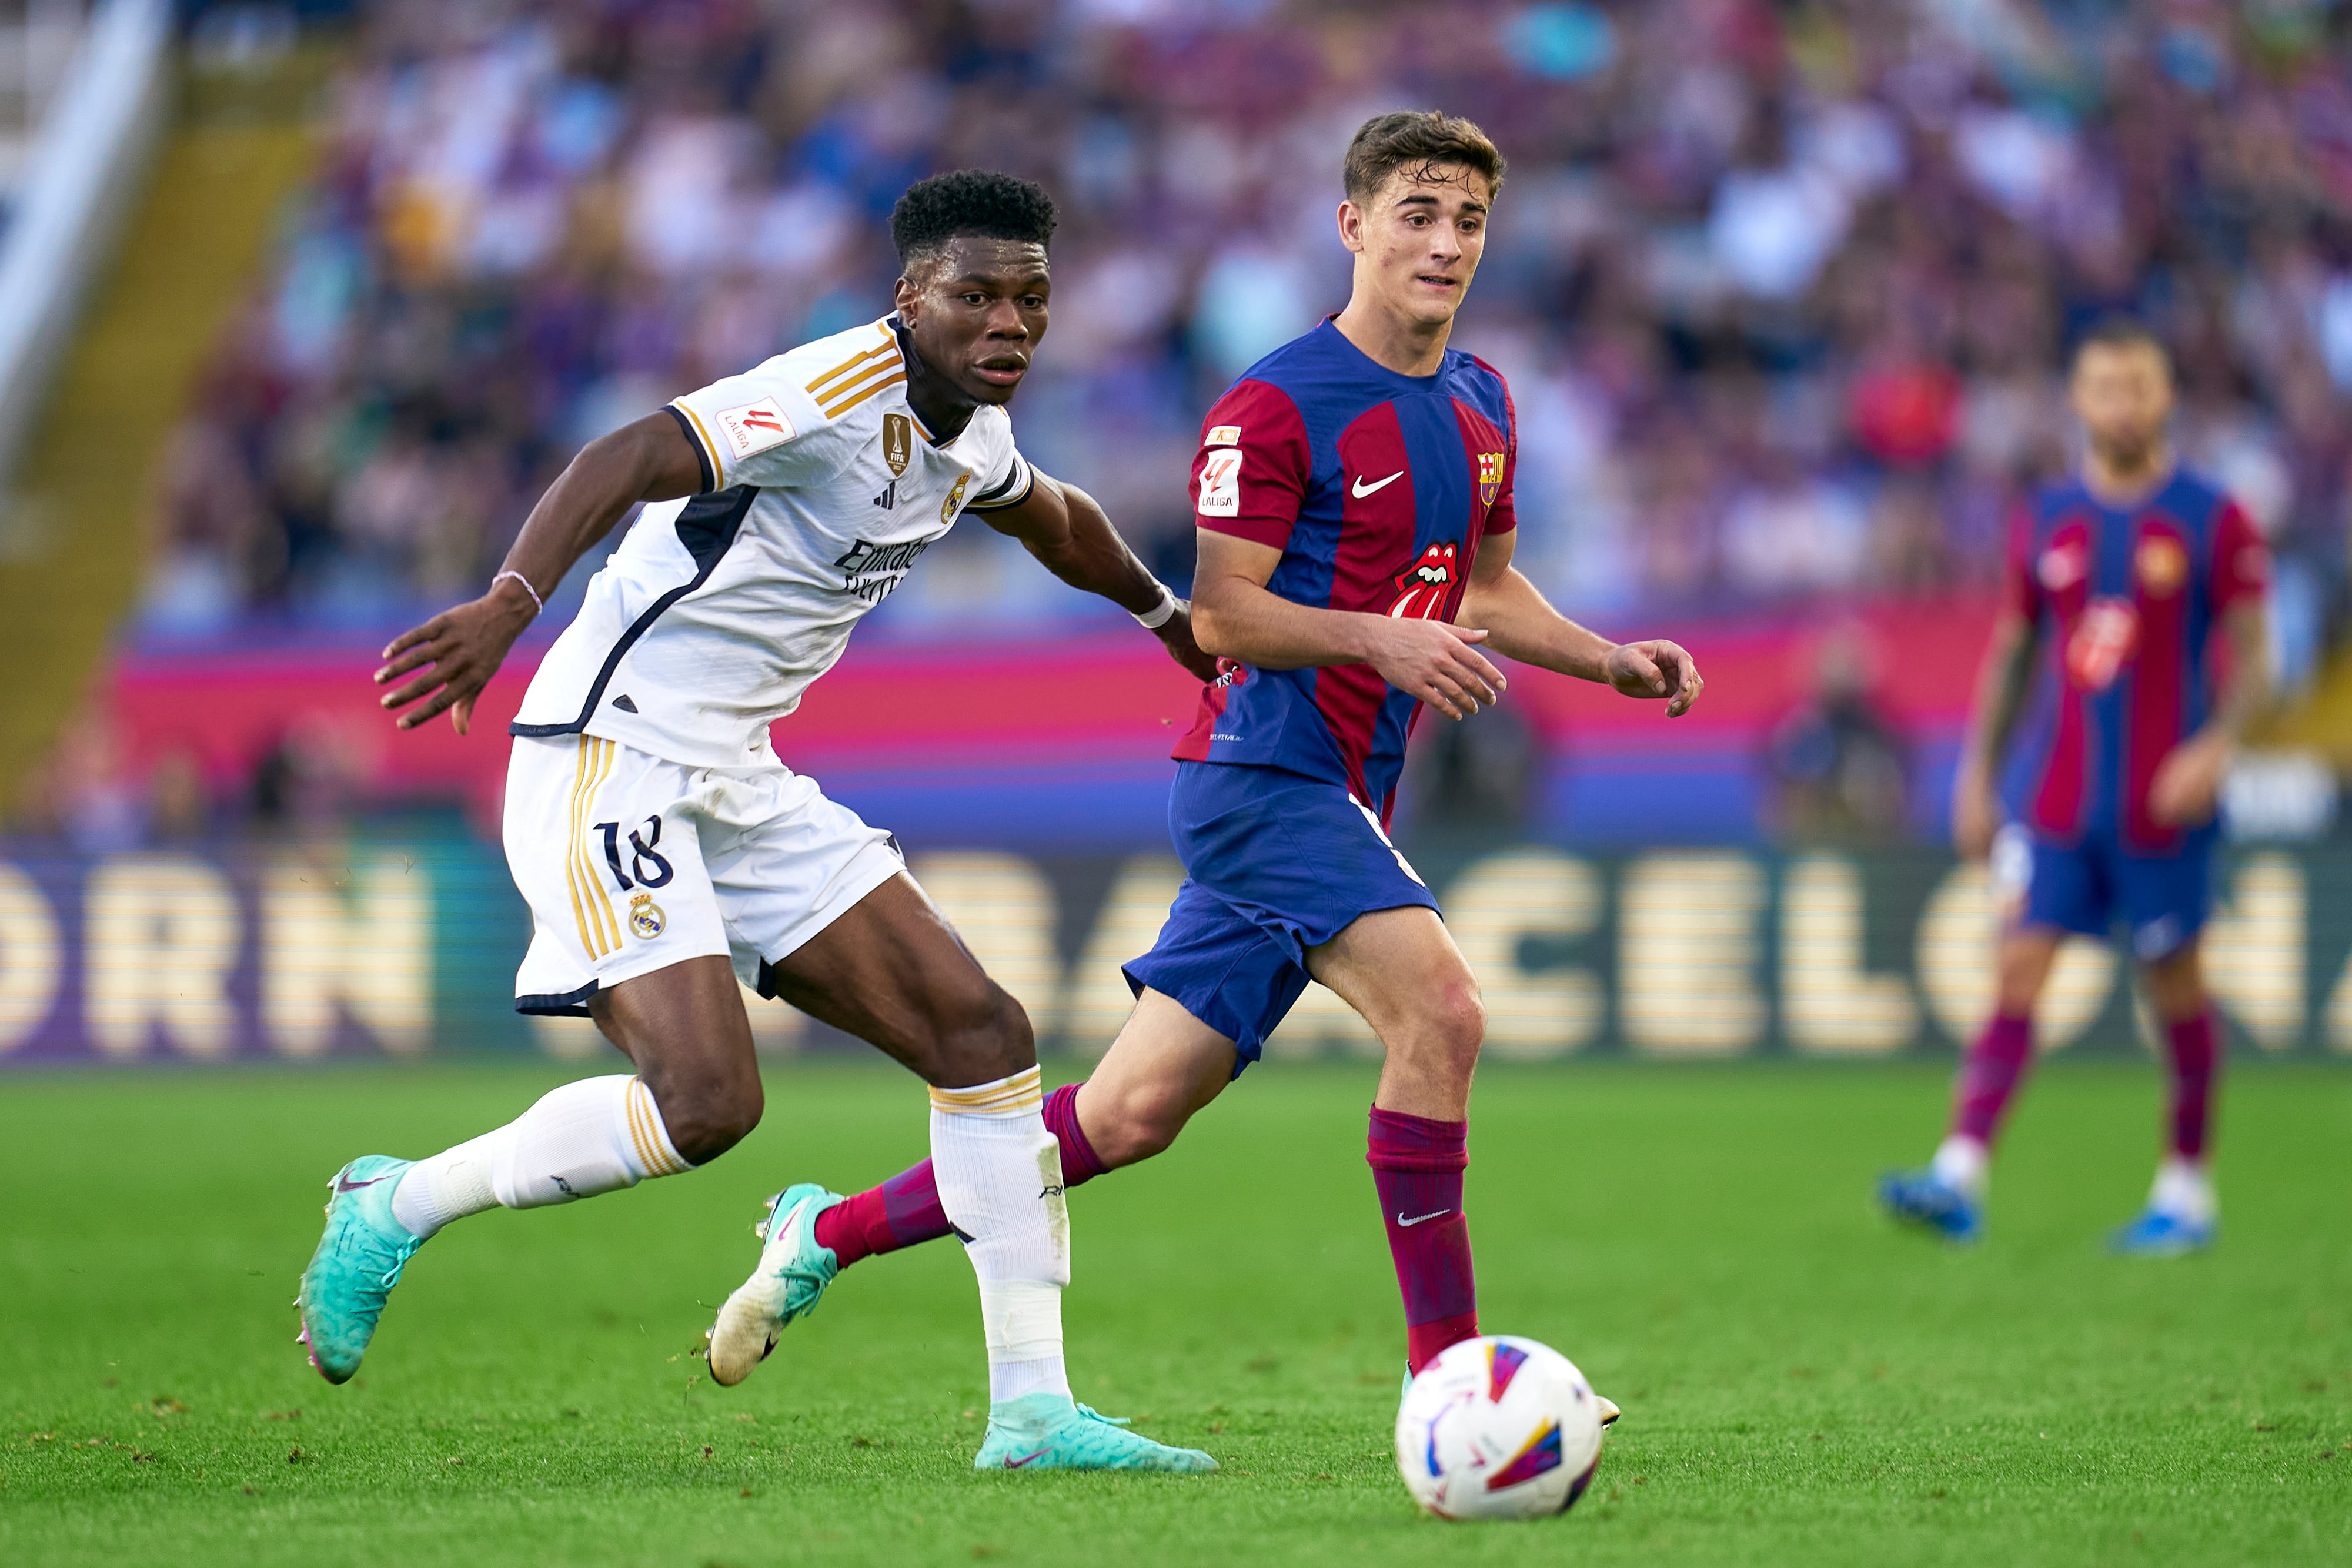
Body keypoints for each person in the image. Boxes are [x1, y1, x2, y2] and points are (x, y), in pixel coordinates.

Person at [714, 112, 1699, 1410]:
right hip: (1258, 776)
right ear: (1351, 225)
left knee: (1125, 1116)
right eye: (1415, 212)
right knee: (1442, 1013)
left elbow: (1486, 585)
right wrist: (1386, 641)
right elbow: (1221, 613)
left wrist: (1605, 659)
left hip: (1341, 789)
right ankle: (1450, 1380)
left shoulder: (1479, 400)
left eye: (1466, 219)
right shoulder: (1275, 402)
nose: (1444, 241)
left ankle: (822, 1232)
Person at [295, 171, 1222, 1474]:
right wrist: (510, 601)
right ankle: (392, 1202)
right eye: (975, 296)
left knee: (983, 1032)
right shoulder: (833, 389)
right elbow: (627, 453)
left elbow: (1053, 517)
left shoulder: (969, 435)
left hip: (737, 773)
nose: (1007, 322)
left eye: (1030, 299)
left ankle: (1030, 1412)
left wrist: (1170, 623)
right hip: (605, 756)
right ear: (911, 299)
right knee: (707, 1103)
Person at [1878, 319, 2271, 1253]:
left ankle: (2187, 1191)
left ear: (2167, 396)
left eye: (2139, 386)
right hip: (2058, 797)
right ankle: (1959, 1174)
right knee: (2018, 968)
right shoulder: (2049, 516)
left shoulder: (2215, 517)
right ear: (2078, 400)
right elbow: (2014, 657)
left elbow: (2260, 660)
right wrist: (1977, 776)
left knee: (2173, 987)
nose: (2123, 404)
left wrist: (2218, 747)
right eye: (2105, 387)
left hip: (2161, 801)